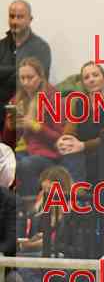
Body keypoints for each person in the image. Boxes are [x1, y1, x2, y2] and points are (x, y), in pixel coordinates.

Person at [9, 57, 63, 196]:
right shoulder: (18, 98)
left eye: (30, 77)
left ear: (40, 77)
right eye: (22, 78)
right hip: (21, 150)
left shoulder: (53, 97)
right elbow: (12, 137)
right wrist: (12, 125)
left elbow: (59, 137)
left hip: (46, 154)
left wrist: (34, 125)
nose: (26, 83)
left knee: (26, 164)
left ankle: (30, 205)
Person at [57, 61, 104, 184]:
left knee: (76, 154)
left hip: (101, 150)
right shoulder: (77, 102)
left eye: (95, 75)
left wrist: (83, 146)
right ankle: (73, 192)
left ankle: (77, 192)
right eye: (86, 77)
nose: (91, 80)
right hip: (78, 148)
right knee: (69, 152)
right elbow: (70, 129)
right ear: (83, 83)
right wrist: (65, 140)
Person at [0, 0, 51, 131]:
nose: (15, 21)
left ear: (30, 19)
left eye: (20, 17)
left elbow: (38, 83)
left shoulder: (40, 48)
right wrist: (18, 70)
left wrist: (4, 73)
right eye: (12, 16)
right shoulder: (1, 45)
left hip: (25, 109)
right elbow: (24, 76)